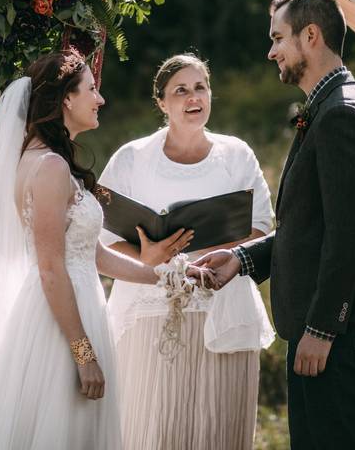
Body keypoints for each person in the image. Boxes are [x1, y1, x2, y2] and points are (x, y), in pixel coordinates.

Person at [0, 51, 211, 450]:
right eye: (92, 89)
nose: (100, 99)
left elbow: (94, 256)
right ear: (66, 100)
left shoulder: (48, 161)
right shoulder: (50, 168)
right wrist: (82, 352)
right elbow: (51, 269)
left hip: (76, 306)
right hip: (60, 322)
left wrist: (170, 275)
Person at [197, 0, 355, 450]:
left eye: (278, 38)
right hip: (319, 328)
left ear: (311, 35)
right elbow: (311, 229)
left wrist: (323, 328)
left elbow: (349, 235)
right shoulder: (329, 107)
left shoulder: (342, 113)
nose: (271, 51)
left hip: (332, 333)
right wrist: (242, 260)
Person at [99, 53, 275, 450]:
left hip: (223, 306)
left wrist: (202, 255)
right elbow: (103, 237)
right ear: (161, 102)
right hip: (151, 310)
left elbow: (262, 225)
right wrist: (151, 256)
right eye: (181, 90)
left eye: (200, 87)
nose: (193, 97)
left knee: (218, 428)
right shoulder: (131, 158)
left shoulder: (237, 154)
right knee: (154, 428)